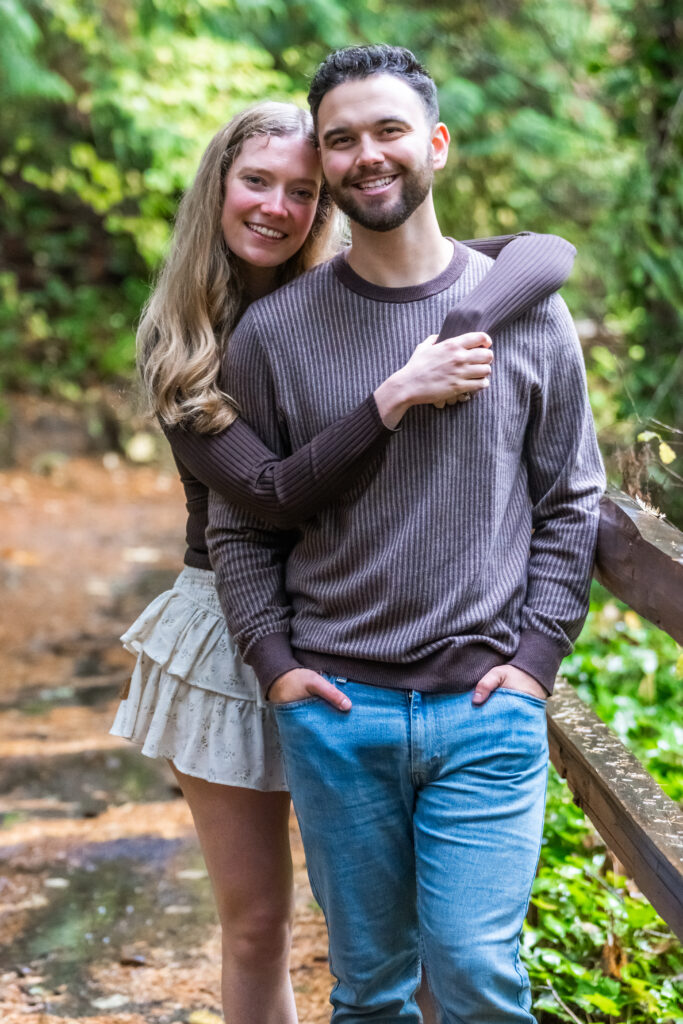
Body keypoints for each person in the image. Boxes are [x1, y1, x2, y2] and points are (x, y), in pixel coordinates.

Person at [111, 101, 575, 1023]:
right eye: (255, 183)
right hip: (234, 628)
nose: (277, 208)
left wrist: (461, 318)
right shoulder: (188, 348)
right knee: (258, 926)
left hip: (350, 627)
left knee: (456, 944)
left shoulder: (342, 293)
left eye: (301, 191)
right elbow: (272, 498)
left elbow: (540, 253)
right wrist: (398, 392)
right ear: (216, 190)